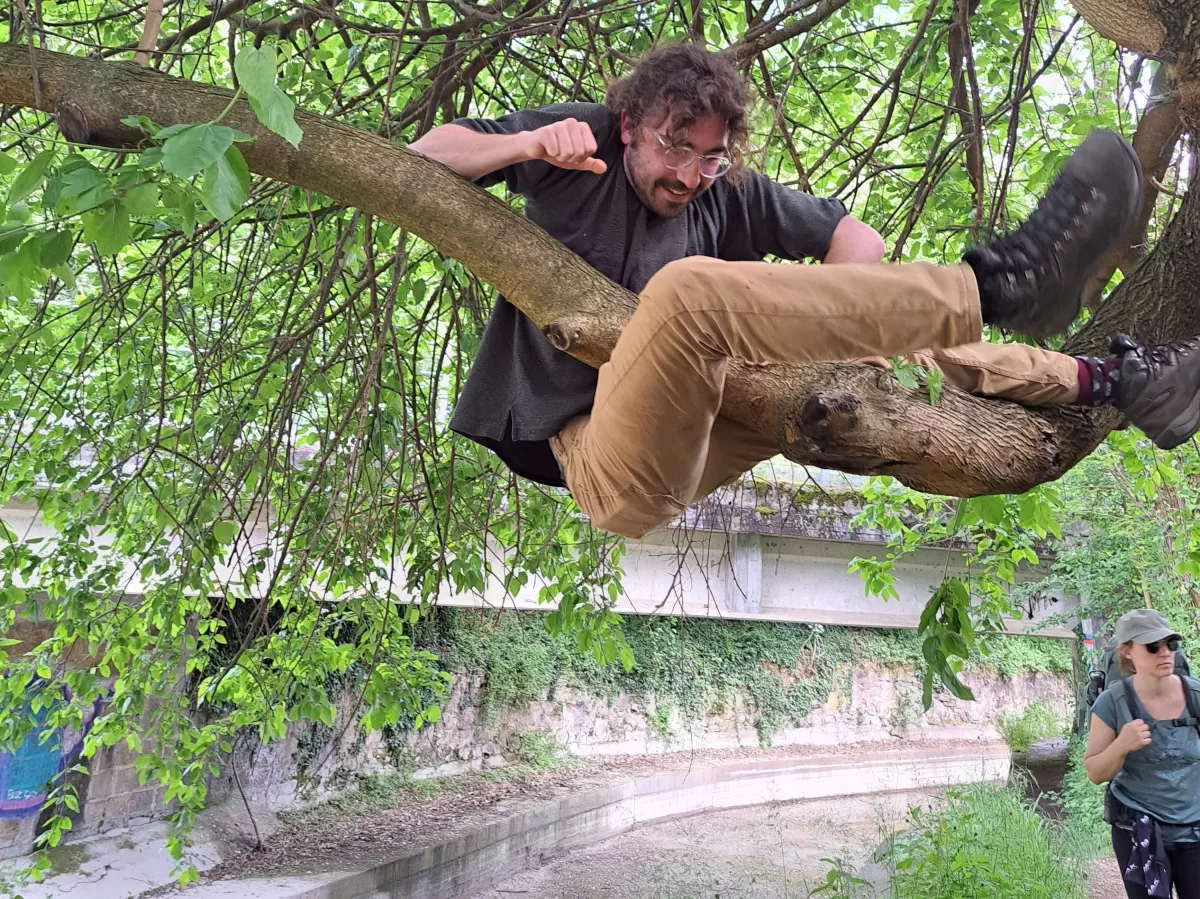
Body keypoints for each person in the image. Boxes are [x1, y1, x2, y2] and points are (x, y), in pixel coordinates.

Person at [409, 44, 1200, 539]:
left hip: (714, 415)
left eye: (710, 158)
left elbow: (856, 239)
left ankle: (1117, 380)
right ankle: (995, 283)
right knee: (689, 296)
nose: (688, 175)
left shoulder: (725, 192)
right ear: (627, 126)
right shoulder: (575, 142)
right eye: (671, 148)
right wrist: (524, 142)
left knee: (878, 330)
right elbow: (420, 155)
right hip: (597, 457)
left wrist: (848, 314)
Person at [1085, 609, 1200, 898]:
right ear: (1127, 652)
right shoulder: (1111, 703)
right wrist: (1122, 745)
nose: (1164, 653)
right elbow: (1096, 772)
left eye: (1170, 644)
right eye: (1152, 646)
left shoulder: (1196, 695)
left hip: (1195, 829)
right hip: (1137, 829)